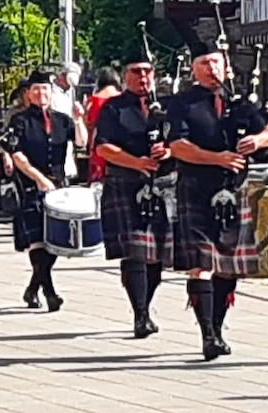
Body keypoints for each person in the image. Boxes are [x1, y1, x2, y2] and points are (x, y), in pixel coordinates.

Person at [166, 40, 268, 361]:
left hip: (233, 193)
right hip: (195, 190)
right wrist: (217, 159)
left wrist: (258, 139)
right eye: (204, 63)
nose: (211, 68)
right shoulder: (182, 104)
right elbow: (177, 146)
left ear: (225, 66)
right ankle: (206, 336)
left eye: (216, 62)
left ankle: (216, 329)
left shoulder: (240, 102)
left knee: (228, 270)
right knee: (201, 265)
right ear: (193, 69)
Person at [94, 55, 172, 338]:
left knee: (157, 257)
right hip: (125, 185)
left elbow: (181, 140)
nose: (143, 77)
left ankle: (146, 306)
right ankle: (140, 315)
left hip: (162, 187)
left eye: (147, 71)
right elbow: (102, 148)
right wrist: (136, 162)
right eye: (136, 72)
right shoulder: (113, 109)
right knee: (136, 253)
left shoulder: (165, 107)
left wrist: (169, 152)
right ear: (125, 76)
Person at [8, 71, 87, 311]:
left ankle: (33, 289)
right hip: (31, 183)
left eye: (45, 90)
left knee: (54, 240)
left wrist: (79, 119)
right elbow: (17, 153)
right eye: (36, 90)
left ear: (51, 93)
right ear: (28, 94)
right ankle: (50, 293)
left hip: (58, 184)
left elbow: (82, 143)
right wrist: (38, 178)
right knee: (37, 240)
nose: (41, 94)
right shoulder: (19, 120)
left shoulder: (62, 120)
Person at [85, 67, 122, 183]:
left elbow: (88, 125)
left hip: (98, 146)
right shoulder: (122, 99)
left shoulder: (92, 101)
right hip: (119, 147)